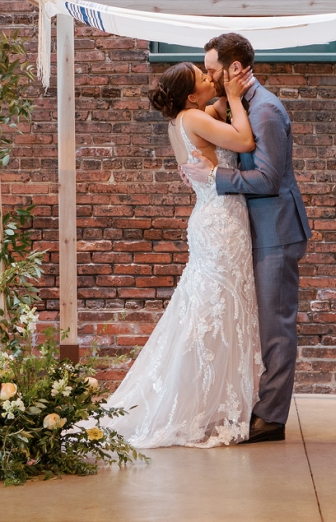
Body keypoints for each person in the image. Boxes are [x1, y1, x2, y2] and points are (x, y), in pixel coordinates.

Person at [106, 62, 260, 448]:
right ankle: (202, 400)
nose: (212, 77)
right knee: (216, 311)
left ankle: (203, 396)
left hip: (209, 219)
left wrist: (224, 95)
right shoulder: (194, 115)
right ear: (191, 95)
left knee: (206, 311)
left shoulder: (181, 119)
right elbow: (244, 142)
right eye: (204, 77)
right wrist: (238, 99)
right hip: (221, 222)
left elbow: (214, 115)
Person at [177, 33, 312, 445]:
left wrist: (216, 177)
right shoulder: (238, 102)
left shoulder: (267, 110)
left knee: (275, 326)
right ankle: (251, 402)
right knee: (255, 323)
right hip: (250, 229)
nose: (210, 77)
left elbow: (269, 178)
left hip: (276, 229)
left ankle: (271, 419)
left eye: (212, 69)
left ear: (235, 69)